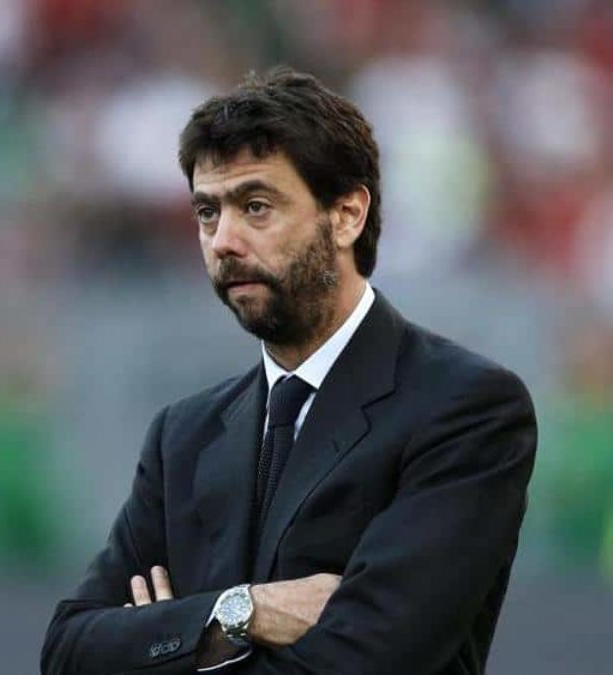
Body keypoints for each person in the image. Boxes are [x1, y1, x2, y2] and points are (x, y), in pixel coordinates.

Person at [40, 68, 537, 674]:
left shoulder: (464, 408)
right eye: (207, 212)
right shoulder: (183, 437)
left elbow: (370, 660)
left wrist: (169, 638)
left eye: (255, 207)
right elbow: (69, 651)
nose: (223, 240)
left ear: (347, 214)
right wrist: (241, 611)